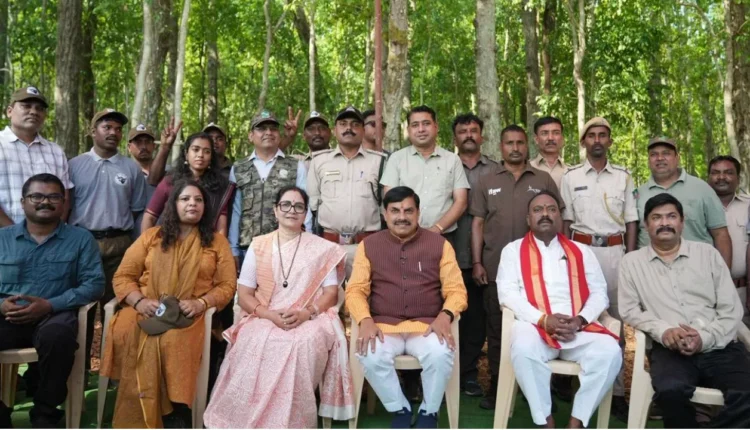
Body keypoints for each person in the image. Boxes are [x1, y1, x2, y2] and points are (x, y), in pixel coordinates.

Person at [204, 186, 354, 428]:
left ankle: (290, 421)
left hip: (309, 316)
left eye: (299, 206)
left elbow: (330, 293)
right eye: (286, 205)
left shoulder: (322, 249)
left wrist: (306, 313)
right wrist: (269, 315)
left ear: (306, 213)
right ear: (275, 210)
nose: (291, 211)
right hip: (265, 314)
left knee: (301, 344)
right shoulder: (259, 245)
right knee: (253, 340)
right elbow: (244, 294)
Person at [99, 180, 236, 428]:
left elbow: (227, 285)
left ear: (205, 207)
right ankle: (150, 408)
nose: (192, 204)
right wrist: (139, 302)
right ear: (173, 204)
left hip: (188, 313)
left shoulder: (217, 242)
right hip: (145, 307)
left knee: (173, 339)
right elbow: (123, 276)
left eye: (198, 200)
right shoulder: (152, 236)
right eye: (185, 199)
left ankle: (174, 409)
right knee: (129, 331)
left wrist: (202, 303)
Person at [619, 193, 750, 428]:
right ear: (646, 224)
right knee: (670, 391)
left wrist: (704, 338)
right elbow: (629, 310)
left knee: (746, 393)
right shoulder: (631, 262)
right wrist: (664, 331)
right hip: (670, 349)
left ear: (682, 221)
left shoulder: (708, 254)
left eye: (671, 216)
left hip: (719, 345)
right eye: (656, 218)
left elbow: (731, 308)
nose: (664, 223)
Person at [346, 186, 468, 428]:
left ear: (418, 213)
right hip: (383, 326)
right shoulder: (369, 245)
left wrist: (446, 315)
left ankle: (429, 412)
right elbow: (356, 290)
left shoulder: (439, 244)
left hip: (426, 326)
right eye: (395, 211)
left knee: (440, 353)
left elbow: (456, 290)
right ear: (385, 214)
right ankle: (399, 408)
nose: (402, 217)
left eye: (408, 211)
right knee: (369, 354)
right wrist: (365, 320)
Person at [498, 190, 620, 428]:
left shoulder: (581, 251)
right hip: (535, 327)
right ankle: (546, 421)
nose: (545, 214)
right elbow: (508, 294)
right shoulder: (513, 251)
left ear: (560, 217)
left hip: (577, 329)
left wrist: (579, 320)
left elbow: (599, 293)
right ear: (528, 219)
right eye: (538, 210)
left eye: (551, 209)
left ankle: (577, 421)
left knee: (610, 351)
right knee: (522, 346)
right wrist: (544, 320)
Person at [0, 174, 104, 428]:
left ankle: (45, 412)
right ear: (23, 202)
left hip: (54, 315)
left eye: (53, 197)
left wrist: (50, 305)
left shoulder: (80, 239)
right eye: (36, 196)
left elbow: (94, 284)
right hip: (7, 317)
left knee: (59, 336)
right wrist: (0, 305)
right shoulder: (2, 239)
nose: (45, 202)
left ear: (63, 202)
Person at [469, 124, 560, 409]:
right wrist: (477, 262)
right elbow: (477, 223)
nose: (515, 148)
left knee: (540, 328)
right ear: (501, 146)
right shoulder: (486, 180)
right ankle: (498, 388)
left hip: (539, 272)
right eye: (509, 143)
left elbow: (557, 220)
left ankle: (541, 389)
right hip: (495, 270)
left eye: (520, 142)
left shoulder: (543, 179)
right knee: (497, 331)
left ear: (527, 144)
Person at [559, 117, 638, 419]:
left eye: (602, 135)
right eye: (591, 135)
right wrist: (564, 257)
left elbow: (631, 220)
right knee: (578, 316)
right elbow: (566, 221)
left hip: (615, 254)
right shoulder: (570, 177)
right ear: (583, 142)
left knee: (615, 321)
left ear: (610, 141)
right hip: (580, 252)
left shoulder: (624, 177)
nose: (597, 140)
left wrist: (630, 258)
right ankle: (576, 386)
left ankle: (616, 393)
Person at [68, 108, 148, 367]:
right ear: (93, 131)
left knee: (119, 306)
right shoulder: (74, 165)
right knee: (82, 308)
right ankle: (78, 369)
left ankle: (113, 370)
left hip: (120, 244)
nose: (113, 132)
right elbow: (67, 206)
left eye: (117, 129)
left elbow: (137, 210)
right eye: (107, 127)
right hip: (82, 243)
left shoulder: (130, 168)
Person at [308, 106, 386, 276]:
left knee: (365, 292)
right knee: (331, 293)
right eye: (343, 124)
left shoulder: (379, 162)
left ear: (363, 130)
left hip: (368, 247)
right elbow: (313, 206)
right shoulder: (319, 162)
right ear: (334, 130)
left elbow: (385, 207)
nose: (349, 128)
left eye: (355, 124)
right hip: (328, 247)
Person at [228, 110, 312, 266]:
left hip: (286, 247)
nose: (268, 132)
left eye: (273, 128)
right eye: (261, 128)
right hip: (248, 248)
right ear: (251, 136)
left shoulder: (295, 166)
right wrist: (233, 248)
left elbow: (305, 208)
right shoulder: (239, 168)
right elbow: (236, 211)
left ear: (279, 134)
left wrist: (307, 243)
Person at [452, 113, 497, 397]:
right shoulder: (446, 165)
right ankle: (444, 372)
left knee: (477, 320)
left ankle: (468, 374)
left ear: (482, 135)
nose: (468, 135)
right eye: (463, 131)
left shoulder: (496, 171)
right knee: (447, 315)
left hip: (483, 258)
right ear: (455, 137)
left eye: (473, 130)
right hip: (449, 253)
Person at [636, 137, 732, 268]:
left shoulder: (701, 189)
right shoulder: (638, 194)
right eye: (654, 154)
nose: (660, 158)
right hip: (651, 272)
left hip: (698, 269)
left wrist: (724, 274)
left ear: (677, 158)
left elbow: (720, 234)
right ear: (648, 160)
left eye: (666, 153)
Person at [380, 105, 470, 243]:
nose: (421, 129)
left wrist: (437, 229)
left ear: (436, 127)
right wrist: (410, 232)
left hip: (444, 236)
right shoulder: (396, 159)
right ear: (408, 130)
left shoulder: (452, 160)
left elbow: (461, 201)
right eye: (415, 125)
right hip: (404, 237)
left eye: (426, 123)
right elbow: (390, 200)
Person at [0, 87, 73, 227]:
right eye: (26, 106)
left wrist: (56, 232)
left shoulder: (55, 151)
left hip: (51, 237)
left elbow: (64, 197)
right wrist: (13, 233)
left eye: (39, 108)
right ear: (9, 111)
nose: (33, 112)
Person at [141, 132, 233, 236]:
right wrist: (146, 243)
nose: (200, 155)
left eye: (207, 151)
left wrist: (219, 246)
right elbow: (150, 217)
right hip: (170, 241)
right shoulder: (170, 181)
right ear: (186, 154)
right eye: (196, 150)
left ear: (211, 157)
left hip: (205, 242)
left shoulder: (218, 186)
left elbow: (221, 226)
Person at [707, 155, 750, 326]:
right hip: (706, 294)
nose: (721, 177)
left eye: (728, 173)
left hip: (742, 291)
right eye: (715, 173)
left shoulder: (748, 206)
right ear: (708, 177)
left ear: (738, 178)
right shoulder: (698, 207)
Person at [127, 119, 182, 237]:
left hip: (167, 235)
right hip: (133, 237)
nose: (143, 146)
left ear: (154, 146)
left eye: (147, 142)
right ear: (129, 147)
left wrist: (166, 146)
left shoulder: (171, 173)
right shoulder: (125, 174)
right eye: (138, 142)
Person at [530, 116, 568, 189]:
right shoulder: (527, 169)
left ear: (562, 139)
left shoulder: (570, 172)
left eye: (556, 133)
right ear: (536, 139)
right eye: (544, 133)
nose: (550, 138)